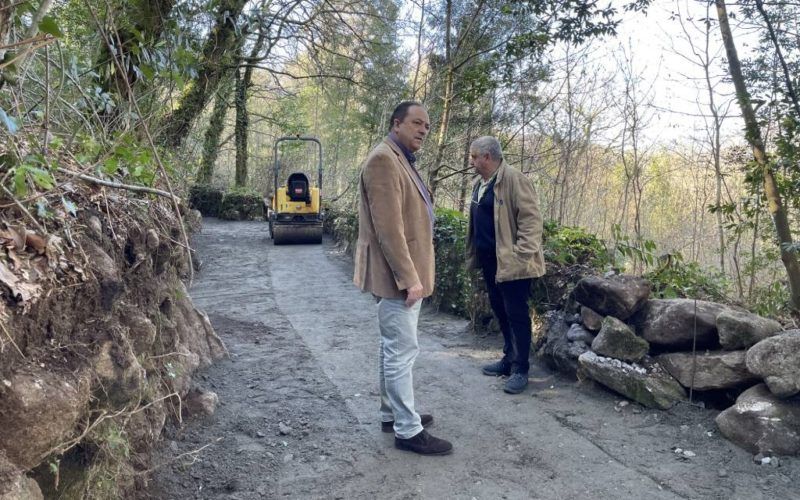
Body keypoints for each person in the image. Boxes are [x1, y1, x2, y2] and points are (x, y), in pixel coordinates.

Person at [353, 101, 453, 456]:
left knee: (391, 347)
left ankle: (392, 413)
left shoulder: (397, 157)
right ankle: (408, 430)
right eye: (416, 123)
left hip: (400, 272)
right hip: (398, 276)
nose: (423, 130)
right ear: (396, 124)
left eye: (426, 124)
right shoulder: (383, 160)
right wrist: (409, 279)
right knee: (401, 350)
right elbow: (389, 230)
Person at [466, 136, 545, 394]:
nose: (472, 161)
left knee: (517, 314)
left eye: (474, 157)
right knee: (500, 311)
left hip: (513, 265)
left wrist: (518, 256)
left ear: (487, 157)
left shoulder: (514, 179)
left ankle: (521, 369)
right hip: (491, 262)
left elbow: (531, 221)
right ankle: (508, 359)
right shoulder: (482, 183)